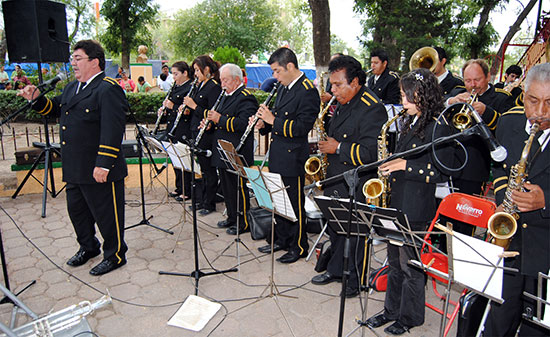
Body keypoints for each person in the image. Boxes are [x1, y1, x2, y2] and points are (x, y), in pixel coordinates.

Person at [17, 40, 128, 276]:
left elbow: (113, 128)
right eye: (72, 59)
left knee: (107, 214)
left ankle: (115, 255)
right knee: (77, 211)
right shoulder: (71, 88)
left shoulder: (107, 88)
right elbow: (54, 108)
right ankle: (88, 247)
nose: (73, 63)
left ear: (95, 61)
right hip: (75, 165)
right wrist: (36, 98)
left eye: (78, 59)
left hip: (99, 167)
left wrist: (104, 164)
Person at [366, 68, 454, 335]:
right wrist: (392, 161)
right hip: (399, 200)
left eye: (407, 96)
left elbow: (443, 169)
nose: (402, 101)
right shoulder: (412, 120)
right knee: (394, 261)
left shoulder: (439, 125)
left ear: (423, 95)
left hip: (418, 205)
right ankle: (391, 310)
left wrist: (405, 165)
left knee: (411, 265)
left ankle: (410, 317)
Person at [310, 55, 387, 297]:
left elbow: (371, 153)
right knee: (335, 227)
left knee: (355, 232)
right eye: (331, 85)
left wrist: (339, 148)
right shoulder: (344, 102)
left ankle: (355, 279)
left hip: (356, 181)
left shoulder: (372, 107)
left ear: (355, 82)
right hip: (335, 177)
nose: (332, 90)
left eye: (337, 85)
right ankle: (335, 270)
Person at [484, 63, 550, 337]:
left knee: (537, 327)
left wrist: (546, 199)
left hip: (545, 248)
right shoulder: (509, 122)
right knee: (499, 318)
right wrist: (503, 199)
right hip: (510, 242)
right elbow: (500, 169)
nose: (541, 112)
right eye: (533, 101)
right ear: (523, 94)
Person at [253, 47, 319, 263]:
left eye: (277, 71)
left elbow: (301, 127)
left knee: (293, 202)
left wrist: (273, 121)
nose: (274, 76)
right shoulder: (283, 86)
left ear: (290, 66)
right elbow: (277, 120)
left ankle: (298, 245)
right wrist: (264, 124)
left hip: (293, 155)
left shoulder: (307, 91)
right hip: (279, 152)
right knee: (279, 201)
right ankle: (282, 239)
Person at [446, 59, 515, 235]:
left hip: (476, 165)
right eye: (468, 81)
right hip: (451, 161)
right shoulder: (457, 92)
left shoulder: (501, 98)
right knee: (446, 213)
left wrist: (487, 112)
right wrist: (452, 102)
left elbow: (508, 128)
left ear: (488, 77)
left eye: (476, 80)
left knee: (466, 215)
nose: (472, 85)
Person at [206, 63, 258, 235]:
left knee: (238, 187)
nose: (222, 84)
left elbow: (243, 124)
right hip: (222, 148)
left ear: (236, 80)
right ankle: (232, 217)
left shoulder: (246, 97)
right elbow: (219, 121)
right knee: (227, 187)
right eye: (221, 80)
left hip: (237, 149)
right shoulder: (225, 96)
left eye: (225, 80)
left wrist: (219, 119)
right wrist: (209, 125)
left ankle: (243, 222)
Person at [183, 55, 222, 216]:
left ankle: (209, 202)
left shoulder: (213, 86)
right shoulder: (201, 85)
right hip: (196, 130)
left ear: (207, 70)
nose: (195, 74)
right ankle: (202, 199)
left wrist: (193, 105)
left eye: (198, 70)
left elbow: (212, 112)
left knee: (209, 170)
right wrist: (187, 109)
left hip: (207, 133)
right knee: (203, 169)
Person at [157, 61, 194, 202]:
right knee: (175, 159)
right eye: (173, 74)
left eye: (176, 74)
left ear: (185, 73)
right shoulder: (175, 87)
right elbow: (171, 106)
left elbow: (188, 110)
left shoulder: (190, 88)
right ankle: (179, 187)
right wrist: (164, 110)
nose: (174, 77)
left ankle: (187, 189)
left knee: (184, 160)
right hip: (172, 127)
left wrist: (173, 106)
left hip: (184, 128)